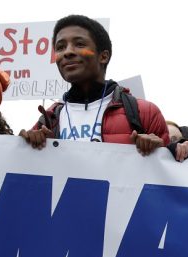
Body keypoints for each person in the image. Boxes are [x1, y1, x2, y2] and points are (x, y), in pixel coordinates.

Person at [19, 15, 168, 154]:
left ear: (103, 56)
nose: (67, 52)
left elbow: (171, 173)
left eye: (79, 44)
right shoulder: (48, 119)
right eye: (60, 47)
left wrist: (162, 150)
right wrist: (30, 145)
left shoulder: (145, 112)